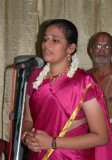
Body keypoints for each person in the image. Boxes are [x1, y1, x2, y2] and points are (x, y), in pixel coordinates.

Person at [21, 19, 112, 160]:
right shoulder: (35, 76)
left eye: (55, 40)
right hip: (37, 154)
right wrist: (27, 136)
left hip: (71, 156)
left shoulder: (83, 81)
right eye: (45, 39)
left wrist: (52, 143)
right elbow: (27, 120)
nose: (46, 44)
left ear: (70, 48)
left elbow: (101, 137)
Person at [87, 32, 112, 125]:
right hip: (88, 134)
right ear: (91, 50)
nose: (102, 50)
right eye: (97, 46)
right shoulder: (84, 77)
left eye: (107, 47)